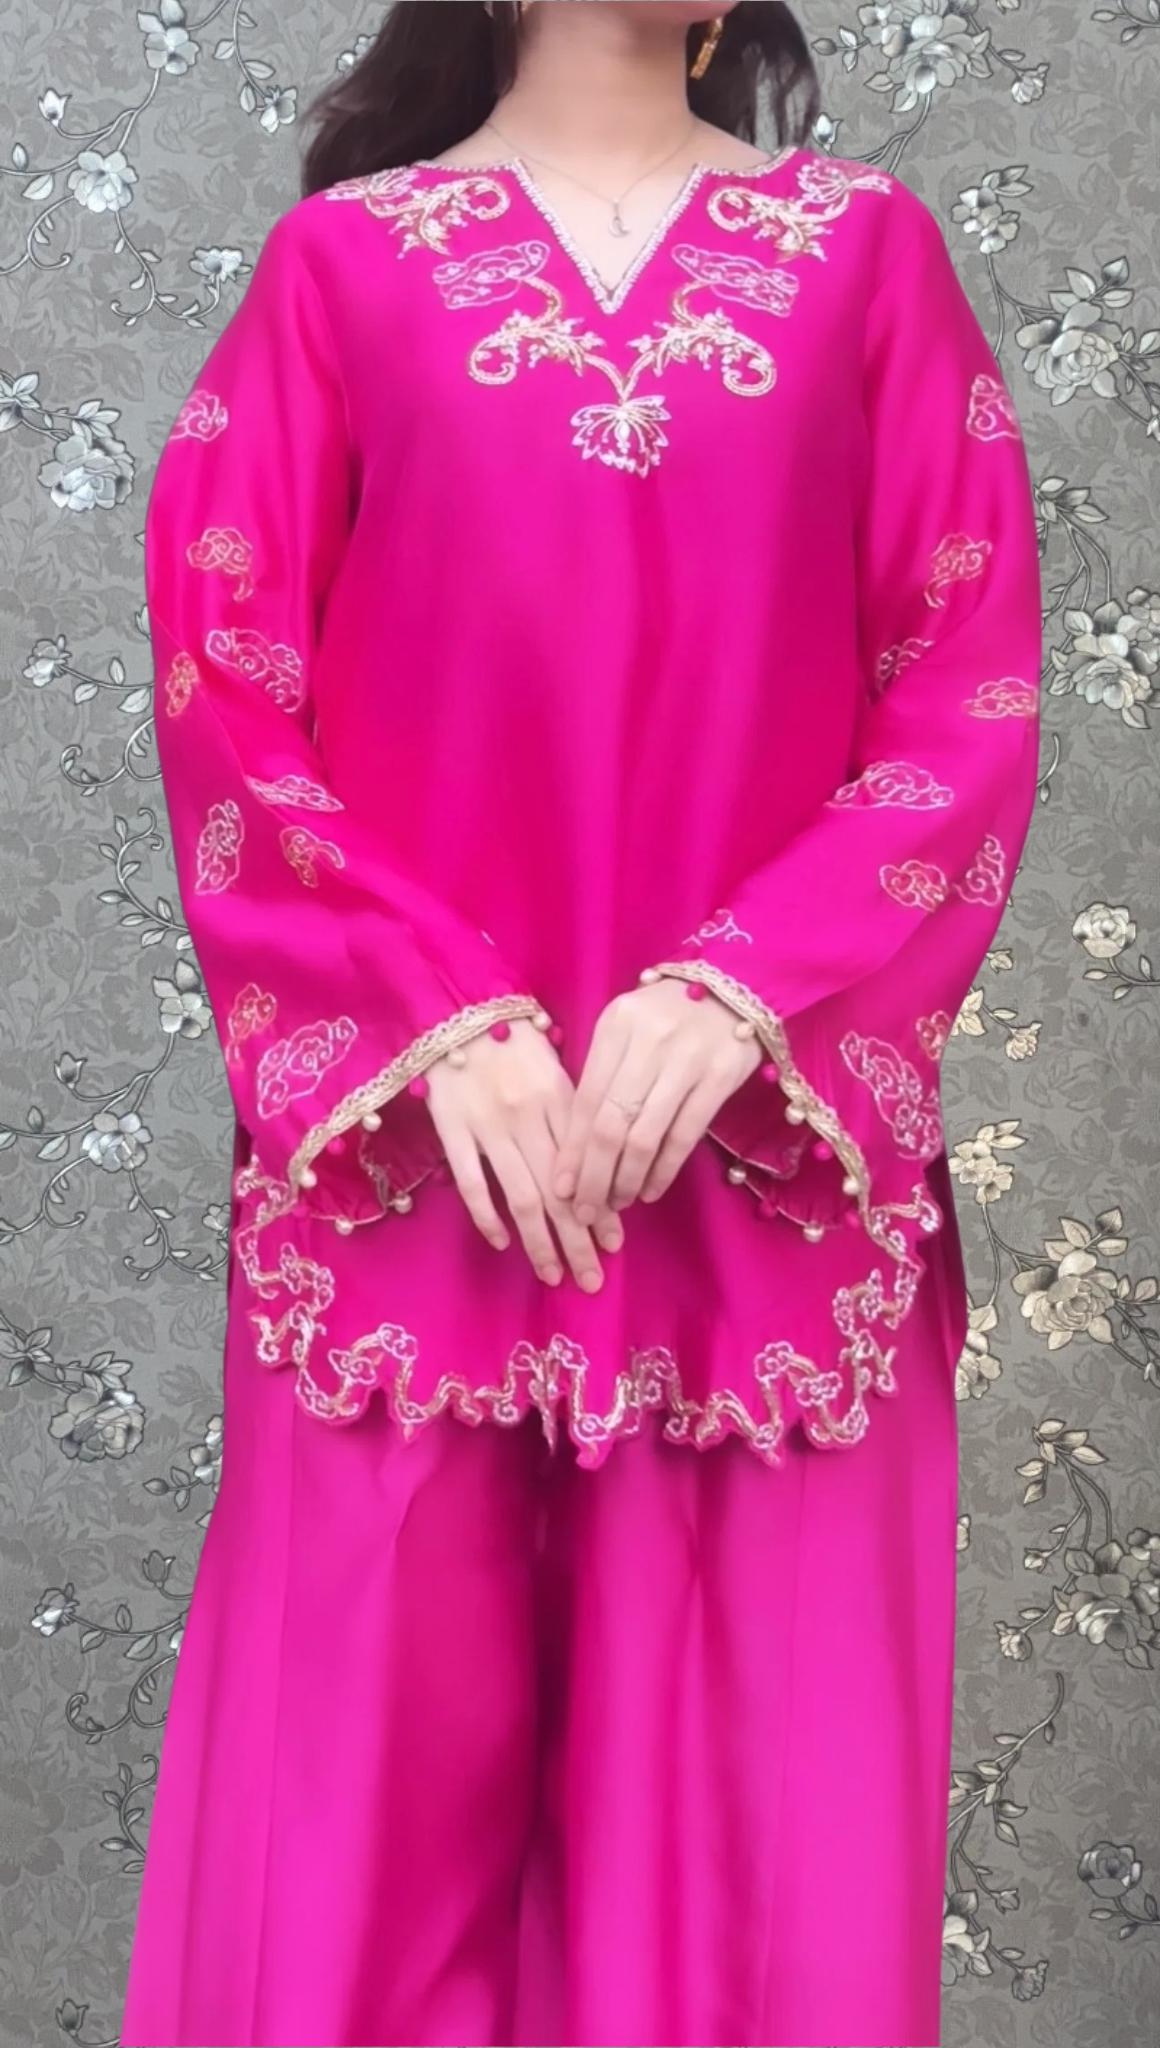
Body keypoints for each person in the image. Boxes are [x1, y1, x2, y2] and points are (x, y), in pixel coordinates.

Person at [118, 3, 1043, 2044]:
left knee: (760, 1871)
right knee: (350, 1857)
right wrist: (434, 1019)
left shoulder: (863, 255)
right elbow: (224, 669)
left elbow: (962, 684)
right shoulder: (342, 269)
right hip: (423, 1173)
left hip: (761, 1185)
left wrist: (750, 987)